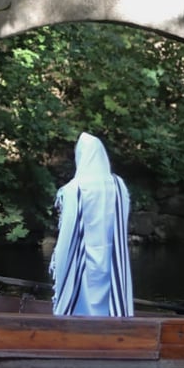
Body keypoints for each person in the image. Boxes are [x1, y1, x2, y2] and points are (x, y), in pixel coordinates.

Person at [48, 131, 134, 316]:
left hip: (83, 255)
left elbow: (67, 232)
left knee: (79, 290)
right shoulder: (119, 185)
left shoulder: (73, 189)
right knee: (112, 289)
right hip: (112, 254)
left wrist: (62, 261)